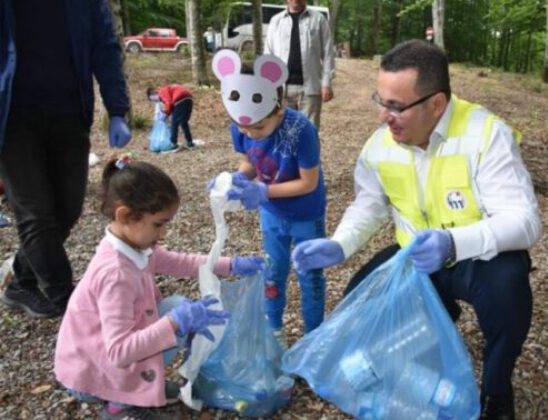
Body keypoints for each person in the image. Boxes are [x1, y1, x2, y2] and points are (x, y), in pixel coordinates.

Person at [292, 40, 542, 419]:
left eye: (396, 106)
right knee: (360, 298)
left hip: (478, 256)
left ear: (436, 104)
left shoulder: (486, 135)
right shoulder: (380, 146)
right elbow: (370, 204)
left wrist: (453, 242)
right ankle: (420, 361)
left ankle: (496, 393)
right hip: (415, 255)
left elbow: (524, 221)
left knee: (509, 297)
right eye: (381, 100)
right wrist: (339, 245)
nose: (382, 117)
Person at [54, 156, 265, 419]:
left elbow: (178, 262)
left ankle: (138, 384)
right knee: (176, 316)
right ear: (125, 215)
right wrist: (174, 324)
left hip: (99, 356)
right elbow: (119, 352)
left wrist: (230, 265)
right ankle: (120, 403)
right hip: (91, 374)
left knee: (177, 307)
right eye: (159, 224)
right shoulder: (116, 273)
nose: (163, 234)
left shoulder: (132, 245)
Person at [0, 0, 132, 319]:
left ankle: (21, 280)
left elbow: (106, 47)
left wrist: (117, 110)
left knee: (68, 209)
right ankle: (68, 300)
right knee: (35, 212)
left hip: (69, 114)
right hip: (11, 118)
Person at [211, 50, 327, 347]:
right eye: (243, 128)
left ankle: (314, 335)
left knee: (310, 275)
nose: (250, 133)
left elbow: (308, 182)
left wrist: (263, 191)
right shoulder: (241, 123)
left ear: (278, 109)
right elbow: (250, 161)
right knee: (273, 272)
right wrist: (237, 179)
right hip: (271, 214)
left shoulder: (301, 130)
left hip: (305, 213)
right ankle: (274, 328)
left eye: (258, 128)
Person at [265, 0, 335, 128]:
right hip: (282, 90)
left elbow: (328, 53)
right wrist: (269, 85)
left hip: (310, 90)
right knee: (284, 133)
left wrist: (326, 84)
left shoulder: (319, 20)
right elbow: (268, 55)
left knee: (309, 132)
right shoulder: (276, 21)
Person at [147, 85, 195, 151]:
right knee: (183, 122)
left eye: (154, 100)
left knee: (174, 123)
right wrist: (167, 114)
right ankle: (189, 142)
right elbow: (171, 107)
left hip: (179, 99)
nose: (157, 101)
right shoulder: (167, 90)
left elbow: (168, 102)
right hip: (188, 99)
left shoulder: (162, 91)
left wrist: (165, 114)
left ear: (154, 93)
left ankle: (173, 143)